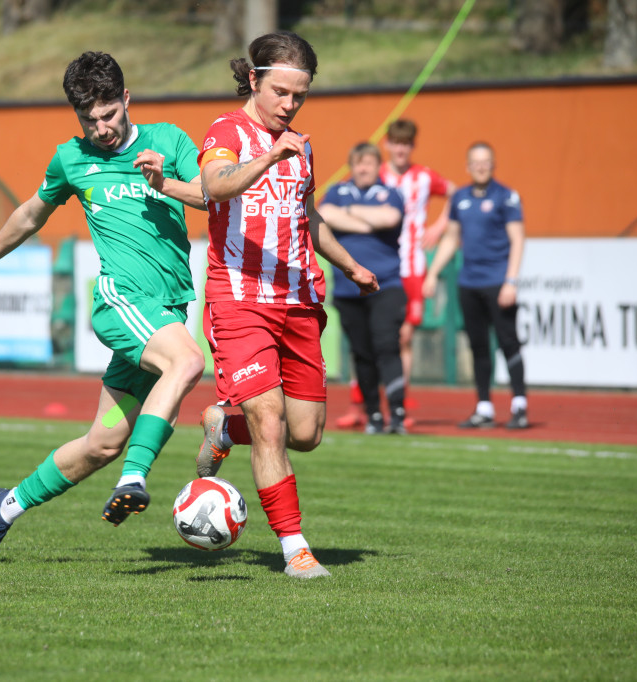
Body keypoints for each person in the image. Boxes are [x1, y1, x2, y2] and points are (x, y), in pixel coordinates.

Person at [0, 51, 207, 566]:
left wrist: (164, 183)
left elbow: (208, 193)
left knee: (100, 443)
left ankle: (2, 509)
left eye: (109, 114)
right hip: (120, 302)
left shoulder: (168, 141)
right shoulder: (71, 159)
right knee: (188, 363)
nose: (102, 128)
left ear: (126, 100)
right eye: (90, 120)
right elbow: (32, 212)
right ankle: (135, 476)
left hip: (165, 311)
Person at [194, 32, 378, 579]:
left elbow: (309, 216)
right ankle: (295, 549)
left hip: (299, 300)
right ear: (253, 80)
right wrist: (270, 154)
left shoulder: (302, 146)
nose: (289, 105)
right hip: (239, 300)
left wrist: (348, 264)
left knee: (306, 434)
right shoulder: (225, 132)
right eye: (280, 92)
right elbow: (214, 183)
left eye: (299, 96)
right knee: (270, 422)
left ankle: (223, 428)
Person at [338, 119, 456, 431]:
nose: (401, 149)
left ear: (412, 146)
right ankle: (360, 406)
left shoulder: (424, 176)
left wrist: (439, 226)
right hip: (377, 267)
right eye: (396, 142)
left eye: (407, 143)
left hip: (410, 267)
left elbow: (457, 194)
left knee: (399, 339)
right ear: (387, 144)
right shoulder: (375, 173)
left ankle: (396, 406)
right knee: (363, 342)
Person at [422, 141, 528, 429]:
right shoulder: (460, 198)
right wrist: (432, 273)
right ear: (468, 167)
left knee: (508, 343)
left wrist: (511, 281)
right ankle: (484, 407)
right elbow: (451, 238)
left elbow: (517, 239)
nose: (481, 167)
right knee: (478, 346)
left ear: (493, 165)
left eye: (486, 162)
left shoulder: (507, 197)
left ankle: (519, 405)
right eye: (476, 162)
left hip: (498, 283)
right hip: (468, 283)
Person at [318, 142, 407, 434]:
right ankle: (374, 415)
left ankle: (397, 412)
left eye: (369, 163)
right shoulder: (337, 191)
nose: (363, 168)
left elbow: (389, 218)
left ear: (377, 166)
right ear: (352, 166)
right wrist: (367, 219)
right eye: (359, 163)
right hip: (348, 289)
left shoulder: (390, 193)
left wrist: (351, 213)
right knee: (362, 353)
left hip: (386, 285)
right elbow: (325, 214)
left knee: (386, 346)